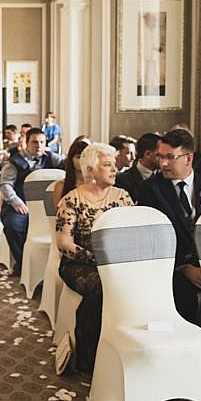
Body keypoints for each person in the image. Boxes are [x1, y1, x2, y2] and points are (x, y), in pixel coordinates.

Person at [56, 142, 134, 373]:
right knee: (100, 286)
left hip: (117, 263)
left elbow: (132, 233)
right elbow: (64, 243)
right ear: (90, 170)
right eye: (107, 165)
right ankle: (88, 356)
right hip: (79, 264)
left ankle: (125, 349)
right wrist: (96, 260)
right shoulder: (72, 199)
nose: (114, 170)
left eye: (114, 165)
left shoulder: (123, 197)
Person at [138, 128, 201, 324]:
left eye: (170, 157)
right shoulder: (150, 189)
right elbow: (152, 237)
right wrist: (184, 267)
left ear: (188, 158)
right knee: (183, 299)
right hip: (171, 267)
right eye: (160, 157)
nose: (163, 163)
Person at [0, 128, 66, 274]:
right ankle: (25, 264)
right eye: (35, 142)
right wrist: (15, 201)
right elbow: (5, 185)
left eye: (42, 142)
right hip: (20, 205)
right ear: (26, 143)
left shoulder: (51, 157)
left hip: (46, 207)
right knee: (14, 226)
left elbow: (67, 163)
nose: (39, 146)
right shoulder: (14, 161)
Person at [114, 132, 160, 200]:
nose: (164, 159)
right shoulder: (122, 179)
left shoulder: (166, 178)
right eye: (159, 155)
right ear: (148, 154)